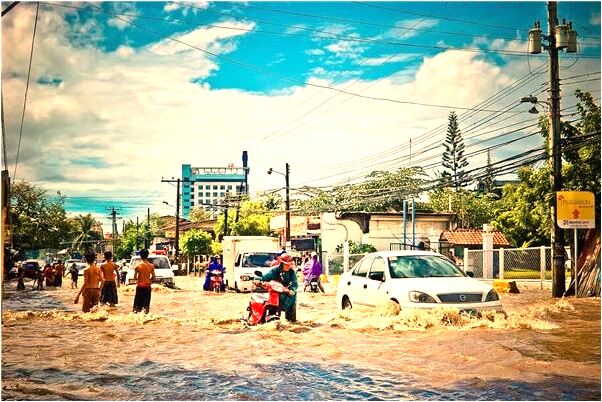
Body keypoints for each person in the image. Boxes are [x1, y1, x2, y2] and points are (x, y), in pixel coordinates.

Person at [258, 253, 298, 322]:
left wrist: (292, 290)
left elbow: (295, 283)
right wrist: (258, 280)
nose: (288, 266)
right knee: (272, 308)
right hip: (276, 293)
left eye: (289, 265)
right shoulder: (275, 271)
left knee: (292, 319)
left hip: (288, 293)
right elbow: (265, 277)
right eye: (287, 264)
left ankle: (291, 320)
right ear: (282, 263)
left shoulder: (292, 272)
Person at [132, 249, 155, 314]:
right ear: (147, 256)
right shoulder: (151, 266)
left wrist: (138, 280)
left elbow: (135, 277)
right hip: (147, 287)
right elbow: (153, 277)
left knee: (137, 307)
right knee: (146, 306)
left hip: (139, 286)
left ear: (140, 256)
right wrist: (149, 281)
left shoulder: (137, 266)